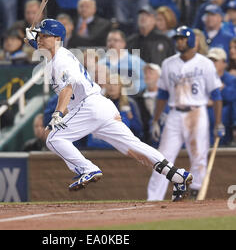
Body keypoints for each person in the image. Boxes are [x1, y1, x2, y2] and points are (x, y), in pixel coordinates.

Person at [26, 18, 193, 202]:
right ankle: (178, 176)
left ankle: (87, 169)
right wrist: (32, 40)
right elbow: (46, 50)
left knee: (54, 138)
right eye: (39, 36)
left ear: (57, 38)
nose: (40, 39)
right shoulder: (57, 55)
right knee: (133, 147)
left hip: (89, 106)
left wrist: (58, 113)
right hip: (100, 106)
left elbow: (68, 87)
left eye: (44, 35)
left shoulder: (61, 60)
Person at [147, 26, 224, 201]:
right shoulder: (168, 63)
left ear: (191, 40)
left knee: (199, 156)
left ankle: (197, 193)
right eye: (177, 39)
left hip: (197, 112)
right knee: (163, 158)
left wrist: (218, 122)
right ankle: (153, 198)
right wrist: (156, 120)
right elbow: (163, 94)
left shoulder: (205, 63)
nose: (179, 41)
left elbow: (216, 94)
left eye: (182, 38)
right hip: (175, 113)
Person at [99, 29, 146, 95]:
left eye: (115, 40)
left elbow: (147, 79)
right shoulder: (101, 63)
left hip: (130, 98)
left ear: (123, 43)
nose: (111, 43)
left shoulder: (135, 61)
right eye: (109, 40)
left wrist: (133, 86)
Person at [207, 48, 236, 146]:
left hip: (224, 125)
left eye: (215, 60)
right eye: (210, 60)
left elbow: (231, 96)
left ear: (224, 63)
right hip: (205, 125)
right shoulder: (203, 78)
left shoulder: (231, 79)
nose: (212, 63)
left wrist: (221, 89)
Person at [135, 63, 168, 146]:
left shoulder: (168, 97)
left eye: (151, 73)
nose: (147, 75)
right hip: (144, 141)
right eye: (146, 73)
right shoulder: (137, 98)